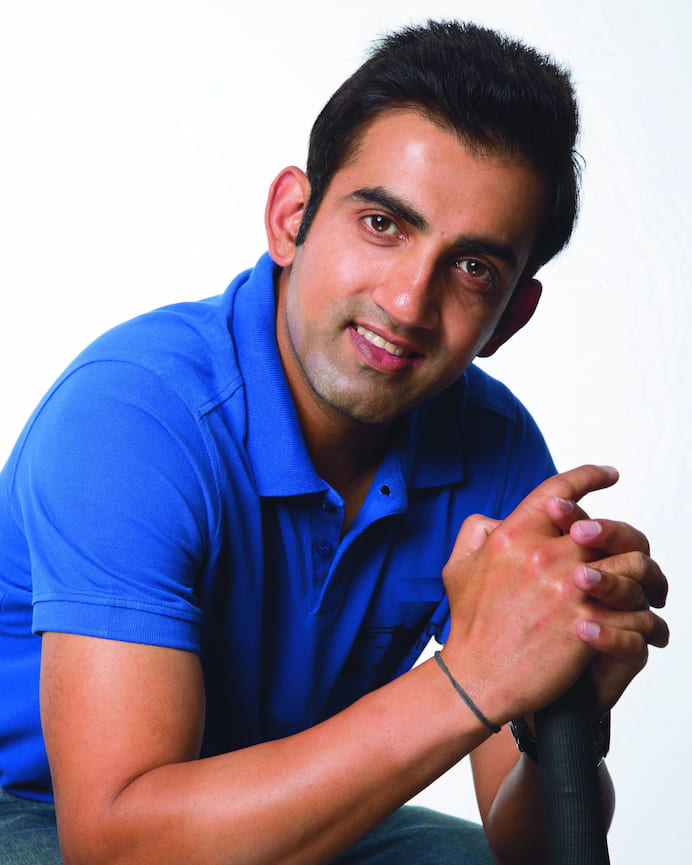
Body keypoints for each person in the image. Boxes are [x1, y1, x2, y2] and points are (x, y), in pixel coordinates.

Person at [0, 19, 668, 865]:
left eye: (473, 269)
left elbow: (536, 850)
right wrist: (473, 677)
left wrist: (556, 721)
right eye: (384, 223)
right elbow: (117, 846)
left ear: (511, 317)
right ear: (293, 217)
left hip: (277, 800)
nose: (407, 302)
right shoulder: (133, 415)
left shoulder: (494, 450)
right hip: (39, 810)